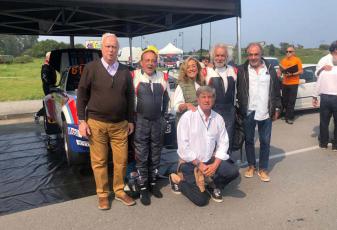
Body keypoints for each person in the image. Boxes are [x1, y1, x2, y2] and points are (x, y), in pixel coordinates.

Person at [77, 33, 136, 210]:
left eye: (114, 47)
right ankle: (102, 194)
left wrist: (131, 120)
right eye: (108, 46)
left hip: (120, 125)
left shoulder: (125, 70)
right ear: (102, 48)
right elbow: (82, 94)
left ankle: (119, 191)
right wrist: (82, 120)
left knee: (122, 160)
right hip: (96, 123)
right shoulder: (91, 68)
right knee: (99, 161)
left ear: (118, 50)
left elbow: (130, 96)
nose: (111, 50)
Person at [169, 86, 239, 206]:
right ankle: (177, 179)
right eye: (203, 97)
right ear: (198, 99)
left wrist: (215, 164)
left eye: (210, 97)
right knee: (202, 200)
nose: (207, 100)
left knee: (233, 172)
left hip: (209, 161)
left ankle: (212, 185)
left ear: (214, 99)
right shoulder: (188, 117)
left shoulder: (218, 118)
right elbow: (183, 147)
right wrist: (199, 165)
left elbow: (223, 143)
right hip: (190, 163)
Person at [236, 43, 281, 182]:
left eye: (256, 54)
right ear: (247, 55)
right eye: (250, 54)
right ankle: (251, 166)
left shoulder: (270, 69)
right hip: (248, 111)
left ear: (261, 54)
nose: (253, 57)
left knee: (265, 141)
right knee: (249, 140)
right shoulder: (242, 70)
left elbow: (276, 90)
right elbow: (237, 89)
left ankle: (263, 169)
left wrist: (277, 107)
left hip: (265, 111)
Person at [132, 47, 170, 205]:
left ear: (157, 62)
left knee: (155, 154)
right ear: (141, 62)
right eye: (147, 60)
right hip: (141, 121)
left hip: (157, 122)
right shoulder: (133, 76)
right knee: (141, 156)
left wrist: (164, 118)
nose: (150, 63)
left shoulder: (163, 77)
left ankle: (153, 184)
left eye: (153, 61)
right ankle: (143, 188)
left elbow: (166, 100)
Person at [204, 43, 237, 154]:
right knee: (212, 142)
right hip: (213, 111)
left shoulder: (233, 71)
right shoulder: (206, 72)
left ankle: (225, 166)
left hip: (229, 111)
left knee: (227, 141)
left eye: (222, 55)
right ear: (213, 56)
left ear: (227, 57)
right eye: (217, 55)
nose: (219, 58)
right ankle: (212, 168)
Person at [313, 40, 337, 150]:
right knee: (324, 121)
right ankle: (323, 142)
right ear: (333, 50)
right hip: (326, 96)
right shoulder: (324, 60)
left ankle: (336, 144)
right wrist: (323, 68)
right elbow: (317, 76)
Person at [173, 56, 205, 124]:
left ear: (197, 68)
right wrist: (186, 105)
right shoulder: (181, 85)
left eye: (193, 66)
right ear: (185, 70)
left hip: (200, 122)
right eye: (188, 67)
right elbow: (176, 107)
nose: (191, 69)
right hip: (186, 123)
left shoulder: (202, 84)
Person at [278, 46, 303, 124]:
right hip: (285, 83)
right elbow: (280, 70)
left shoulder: (297, 60)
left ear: (294, 52)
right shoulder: (283, 60)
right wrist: (279, 73)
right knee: (285, 101)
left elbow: (301, 71)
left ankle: (290, 118)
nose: (288, 53)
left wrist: (292, 74)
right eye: (287, 51)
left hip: (293, 83)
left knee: (291, 101)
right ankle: (287, 115)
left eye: (290, 51)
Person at [34, 51, 57, 123]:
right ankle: (37, 114)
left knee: (53, 103)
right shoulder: (45, 67)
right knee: (50, 103)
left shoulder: (50, 65)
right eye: (51, 57)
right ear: (48, 58)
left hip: (52, 86)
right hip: (48, 87)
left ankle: (51, 116)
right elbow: (44, 78)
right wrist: (50, 86)